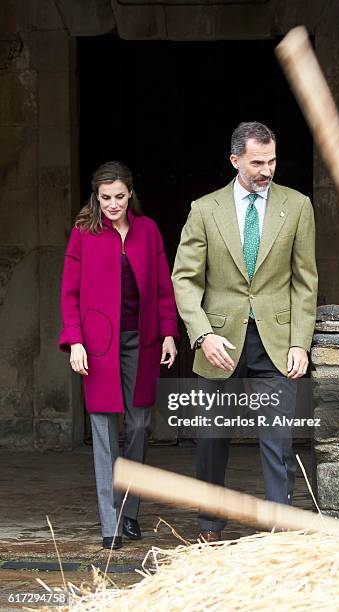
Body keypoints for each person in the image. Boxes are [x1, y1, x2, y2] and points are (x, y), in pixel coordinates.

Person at [172, 122, 318, 541]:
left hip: (275, 343)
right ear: (235, 160)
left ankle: (279, 533)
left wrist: (299, 343)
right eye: (257, 162)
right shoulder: (205, 209)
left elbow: (305, 280)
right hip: (219, 344)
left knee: (278, 441)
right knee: (212, 441)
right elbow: (185, 279)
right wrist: (201, 334)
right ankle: (209, 525)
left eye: (272, 160)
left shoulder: (298, 205)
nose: (267, 169)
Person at [59, 161, 178, 550]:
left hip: (140, 341)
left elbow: (163, 288)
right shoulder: (83, 234)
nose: (112, 205)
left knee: (140, 425)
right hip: (97, 345)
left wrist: (168, 335)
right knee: (104, 431)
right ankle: (110, 523)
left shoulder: (148, 231)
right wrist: (75, 341)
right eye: (105, 197)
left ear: (131, 194)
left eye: (120, 197)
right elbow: (69, 294)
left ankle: (129, 511)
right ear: (97, 197)